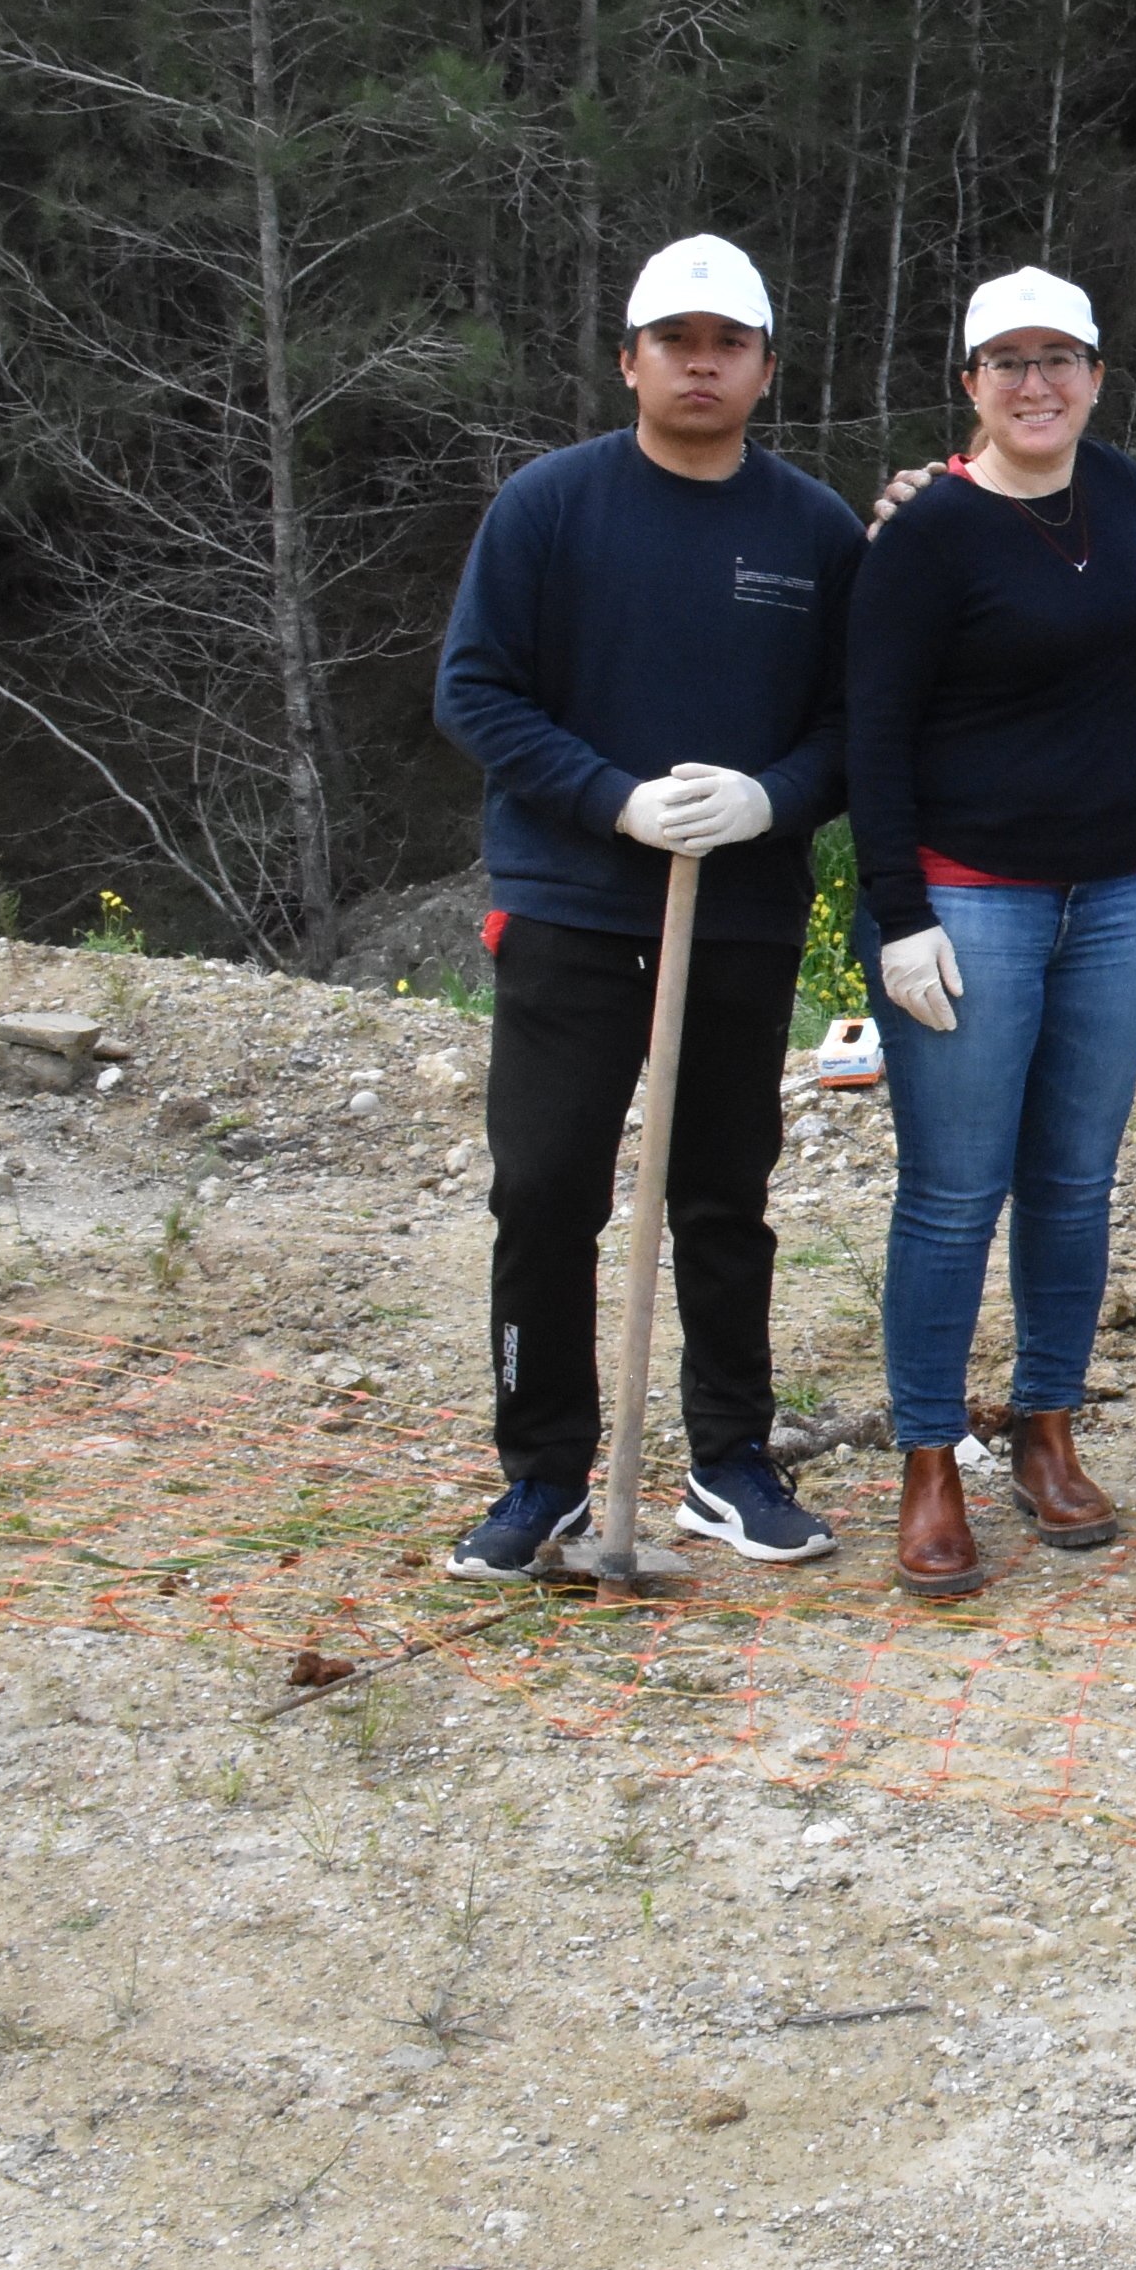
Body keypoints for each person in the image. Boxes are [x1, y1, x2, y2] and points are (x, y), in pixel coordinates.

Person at [434, 234, 864, 1580]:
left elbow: (857, 726)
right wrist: (611, 797)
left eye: (726, 342)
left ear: (765, 369)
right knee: (548, 1192)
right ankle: (544, 1474)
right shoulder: (550, 507)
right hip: (572, 905)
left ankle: (730, 1463)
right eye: (674, 339)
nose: (700, 361)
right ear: (630, 359)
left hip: (737, 920)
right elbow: (476, 691)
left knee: (724, 1199)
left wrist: (773, 800)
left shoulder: (814, 531)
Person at [847, 266, 1136, 1596]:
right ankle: (930, 1459)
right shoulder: (925, 535)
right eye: (1008, 363)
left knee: (1073, 1184)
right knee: (950, 1194)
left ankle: (1045, 1428)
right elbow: (870, 728)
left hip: (1115, 895)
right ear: (970, 384)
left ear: (1096, 375)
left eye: (1060, 360)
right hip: (965, 892)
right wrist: (900, 913)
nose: (1036, 385)